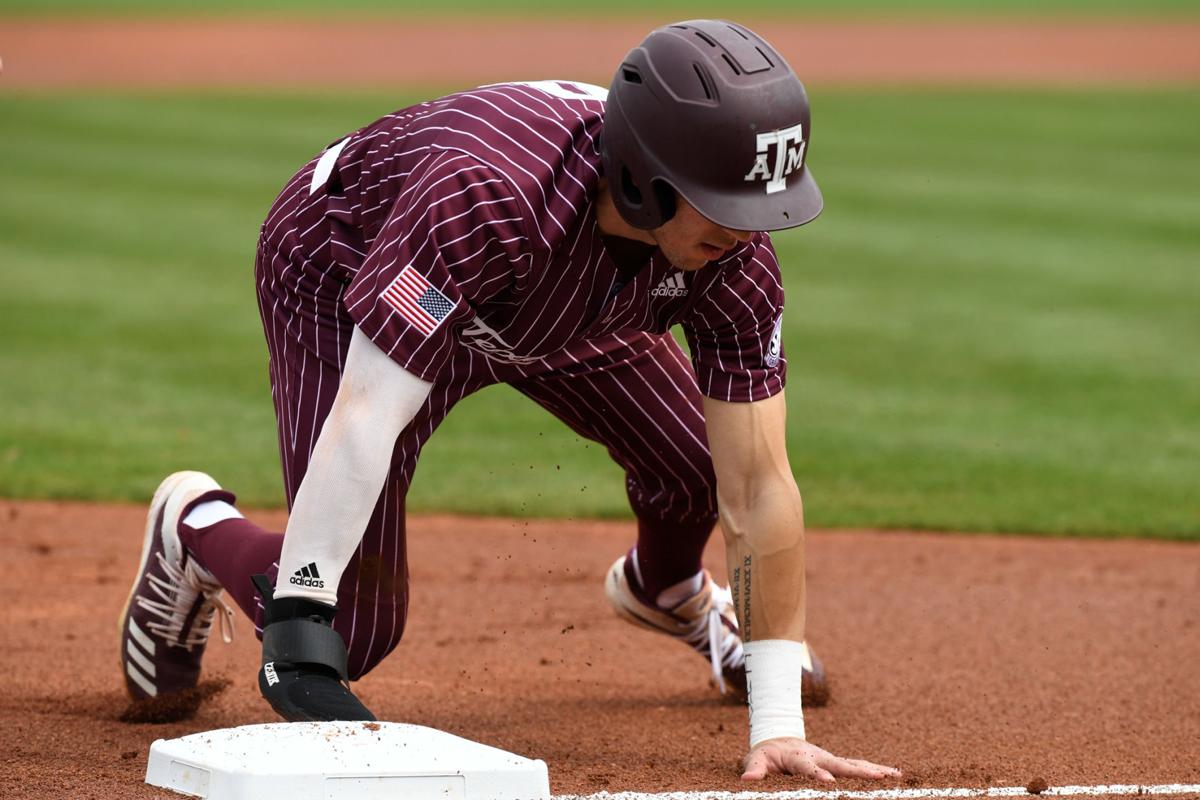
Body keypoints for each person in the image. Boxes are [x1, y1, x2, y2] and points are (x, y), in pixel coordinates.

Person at [118, 19, 900, 783]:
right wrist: (298, 626)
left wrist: (778, 726)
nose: (750, 232)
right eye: (725, 203)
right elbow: (368, 414)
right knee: (350, 625)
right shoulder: (487, 197)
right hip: (349, 270)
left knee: (698, 468)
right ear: (641, 179)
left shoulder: (729, 256)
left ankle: (668, 591)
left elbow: (757, 486)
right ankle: (195, 528)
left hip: (562, 295)